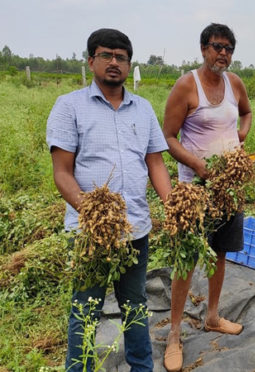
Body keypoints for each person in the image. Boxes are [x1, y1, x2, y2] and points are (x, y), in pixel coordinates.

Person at [46, 28, 172, 371]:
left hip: (136, 230)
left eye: (121, 57)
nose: (114, 62)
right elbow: (62, 172)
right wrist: (93, 212)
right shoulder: (69, 106)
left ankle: (142, 367)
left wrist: (173, 205)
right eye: (106, 55)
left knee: (135, 306)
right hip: (92, 233)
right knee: (85, 309)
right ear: (91, 61)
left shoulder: (143, 109)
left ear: (129, 64)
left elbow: (155, 162)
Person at [161, 23, 252, 372]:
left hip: (228, 190)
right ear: (203, 49)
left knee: (220, 252)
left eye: (229, 48)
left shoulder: (235, 84)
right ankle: (173, 333)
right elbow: (168, 136)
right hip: (194, 191)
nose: (223, 54)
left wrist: (242, 134)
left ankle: (212, 316)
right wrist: (197, 165)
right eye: (217, 47)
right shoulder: (187, 85)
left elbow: (246, 112)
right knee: (186, 260)